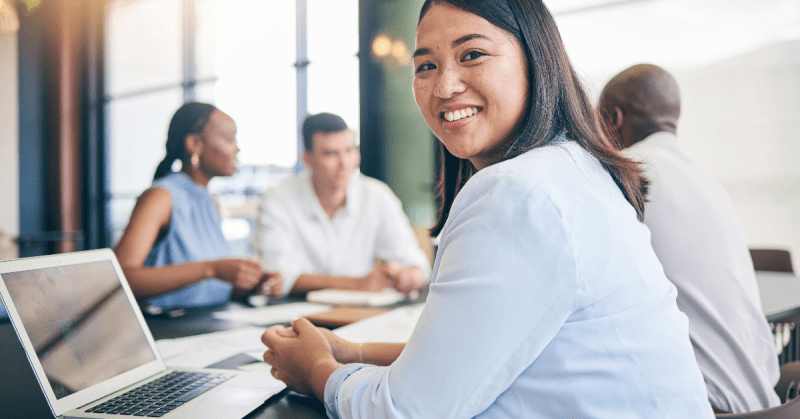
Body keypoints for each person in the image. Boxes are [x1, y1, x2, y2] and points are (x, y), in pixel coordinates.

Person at [260, 1, 715, 417]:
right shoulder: (569, 167)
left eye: (472, 55)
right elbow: (478, 358)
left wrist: (316, 370)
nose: (444, 86)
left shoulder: (516, 191)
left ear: (535, 59)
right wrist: (350, 352)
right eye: (425, 66)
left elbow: (404, 410)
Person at [598, 63, 780, 413]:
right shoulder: (707, 183)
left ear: (615, 119)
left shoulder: (632, 176)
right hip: (768, 401)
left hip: (707, 408)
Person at [115, 102, 282, 309]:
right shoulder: (160, 197)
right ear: (195, 144)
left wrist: (252, 283)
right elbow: (120, 278)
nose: (237, 148)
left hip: (210, 326)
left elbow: (206, 289)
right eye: (229, 139)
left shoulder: (209, 202)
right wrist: (212, 269)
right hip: (168, 329)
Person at [251, 112, 431, 296]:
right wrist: (357, 284)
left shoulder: (376, 196)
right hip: (297, 313)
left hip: (359, 311)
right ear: (307, 158)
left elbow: (415, 262)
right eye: (330, 154)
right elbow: (278, 276)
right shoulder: (278, 200)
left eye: (350, 150)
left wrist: (408, 276)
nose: (344, 163)